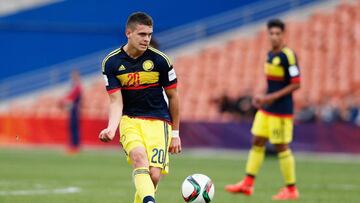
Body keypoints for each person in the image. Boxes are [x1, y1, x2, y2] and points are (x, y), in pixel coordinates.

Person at [98, 12, 181, 203]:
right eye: (142, 34)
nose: (147, 39)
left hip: (159, 122)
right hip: (130, 120)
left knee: (154, 176)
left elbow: (173, 97)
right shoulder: (111, 63)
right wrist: (112, 128)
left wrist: (175, 134)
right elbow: (115, 101)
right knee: (138, 158)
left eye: (149, 34)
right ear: (129, 33)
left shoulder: (161, 61)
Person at [225, 19, 301, 200]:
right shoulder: (269, 55)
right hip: (267, 109)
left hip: (281, 110)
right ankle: (247, 184)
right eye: (271, 33)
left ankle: (291, 189)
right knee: (257, 141)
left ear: (283, 34)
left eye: (277, 33)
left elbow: (296, 84)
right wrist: (261, 97)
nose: (274, 37)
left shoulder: (288, 56)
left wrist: (268, 98)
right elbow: (273, 85)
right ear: (268, 35)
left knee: (281, 147)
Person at [60, 70, 82, 154]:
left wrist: (63, 100)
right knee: (73, 127)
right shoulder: (75, 86)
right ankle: (74, 145)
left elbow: (71, 96)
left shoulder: (77, 87)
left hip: (75, 109)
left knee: (74, 127)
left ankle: (75, 146)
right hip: (73, 109)